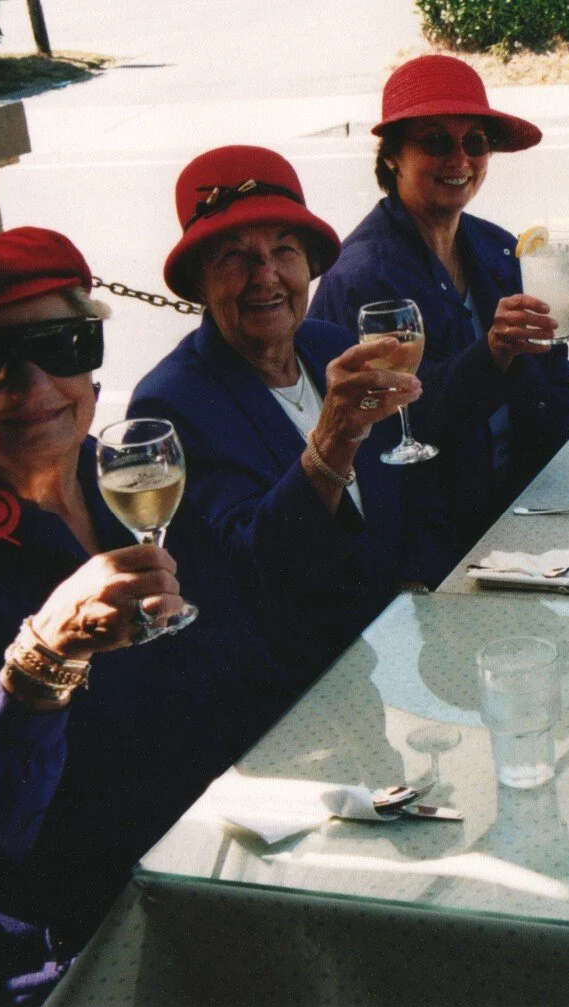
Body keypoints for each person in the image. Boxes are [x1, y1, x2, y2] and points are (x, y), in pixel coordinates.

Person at [0, 229, 315, 1007]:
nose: (35, 385)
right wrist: (40, 663)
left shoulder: (120, 487)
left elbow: (241, 654)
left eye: (62, 343)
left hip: (235, 861)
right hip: (96, 942)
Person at [130, 145, 443, 676]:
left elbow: (414, 483)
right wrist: (331, 444)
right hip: (296, 678)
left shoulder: (331, 347)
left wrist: (419, 592)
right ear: (200, 283)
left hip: (403, 644)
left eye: (285, 251)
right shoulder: (173, 403)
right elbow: (247, 565)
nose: (265, 277)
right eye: (234, 257)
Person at [308, 54, 569, 560]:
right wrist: (493, 352)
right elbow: (400, 429)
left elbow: (550, 382)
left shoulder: (500, 249)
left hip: (523, 510)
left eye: (475, 142)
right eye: (437, 141)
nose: (460, 160)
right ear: (392, 155)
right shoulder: (365, 276)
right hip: (432, 539)